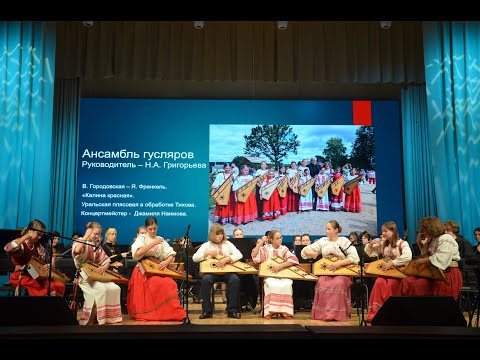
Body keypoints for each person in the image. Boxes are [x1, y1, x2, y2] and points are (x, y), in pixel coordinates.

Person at [127, 216, 186, 321]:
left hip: (157, 268)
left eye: (155, 228)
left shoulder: (160, 239)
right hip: (144, 270)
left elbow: (171, 254)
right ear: (146, 228)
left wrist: (166, 262)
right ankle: (154, 312)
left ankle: (169, 312)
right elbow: (138, 253)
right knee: (159, 283)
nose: (153, 231)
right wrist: (154, 242)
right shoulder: (142, 238)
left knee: (170, 283)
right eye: (150, 229)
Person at [301, 220, 360, 321]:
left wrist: (339, 264)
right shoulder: (323, 241)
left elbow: (355, 258)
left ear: (336, 230)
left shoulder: (344, 241)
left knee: (338, 283)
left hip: (342, 271)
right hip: (327, 271)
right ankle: (324, 314)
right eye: (326, 229)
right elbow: (304, 251)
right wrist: (312, 254)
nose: (326, 231)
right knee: (321, 282)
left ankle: (335, 314)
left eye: (329, 229)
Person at [400, 216, 462, 300]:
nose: (422, 232)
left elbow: (442, 257)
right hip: (434, 273)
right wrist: (420, 244)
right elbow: (427, 255)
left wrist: (422, 261)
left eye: (424, 229)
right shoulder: (432, 240)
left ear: (431, 228)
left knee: (418, 285)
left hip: (447, 273)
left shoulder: (446, 238)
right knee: (407, 281)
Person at [72, 222, 122, 325]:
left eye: (99, 234)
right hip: (84, 277)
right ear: (89, 232)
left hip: (95, 276)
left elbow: (107, 260)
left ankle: (109, 318)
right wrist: (86, 235)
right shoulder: (80, 241)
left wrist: (104, 267)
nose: (98, 237)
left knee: (116, 288)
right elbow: (76, 251)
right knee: (102, 289)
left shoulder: (96, 246)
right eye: (95, 234)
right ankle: (95, 318)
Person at [363, 221, 412, 323]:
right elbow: (369, 252)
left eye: (385, 231)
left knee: (391, 284)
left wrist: (392, 263)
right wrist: (371, 243)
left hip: (399, 274)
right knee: (379, 281)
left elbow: (408, 257)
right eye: (382, 231)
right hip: (387, 273)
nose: (383, 233)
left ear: (393, 231)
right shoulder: (384, 244)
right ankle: (376, 313)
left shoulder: (402, 243)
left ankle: (389, 313)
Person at [4, 219, 66, 297]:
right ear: (30, 231)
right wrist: (26, 236)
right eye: (38, 234)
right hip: (21, 275)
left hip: (33, 274)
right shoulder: (22, 244)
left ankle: (52, 306)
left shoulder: (37, 245)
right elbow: (8, 248)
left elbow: (49, 257)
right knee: (49, 286)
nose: (40, 237)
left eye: (41, 235)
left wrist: (49, 265)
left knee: (59, 285)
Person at [192, 223, 242, 319]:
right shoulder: (207, 245)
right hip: (212, 273)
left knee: (235, 279)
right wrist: (206, 253)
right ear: (212, 235)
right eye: (218, 234)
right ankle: (207, 311)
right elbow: (195, 258)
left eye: (221, 234)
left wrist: (227, 259)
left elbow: (239, 254)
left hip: (227, 272)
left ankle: (232, 310)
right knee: (205, 280)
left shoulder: (228, 244)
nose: (220, 236)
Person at [252, 230, 299, 318]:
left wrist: (280, 266)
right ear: (271, 240)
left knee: (287, 284)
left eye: (280, 238)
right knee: (271, 284)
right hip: (270, 275)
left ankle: (285, 311)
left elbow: (294, 259)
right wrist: (261, 242)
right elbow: (255, 256)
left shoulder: (284, 249)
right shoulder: (266, 248)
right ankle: (270, 311)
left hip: (282, 275)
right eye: (277, 238)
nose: (280, 240)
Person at [444, 220, 474, 286]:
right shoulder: (445, 243)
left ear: (454, 230)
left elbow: (469, 261)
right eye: (444, 230)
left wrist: (454, 259)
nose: (445, 232)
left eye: (448, 230)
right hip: (449, 274)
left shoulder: (465, 243)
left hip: (463, 276)